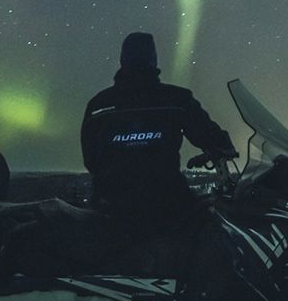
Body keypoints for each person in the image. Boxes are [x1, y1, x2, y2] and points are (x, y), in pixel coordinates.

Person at [80, 32, 237, 234]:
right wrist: (223, 146)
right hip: (166, 200)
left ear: (122, 59)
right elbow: (207, 134)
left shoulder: (98, 105)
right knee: (212, 234)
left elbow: (91, 159)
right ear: (153, 59)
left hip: (110, 202)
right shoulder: (176, 99)